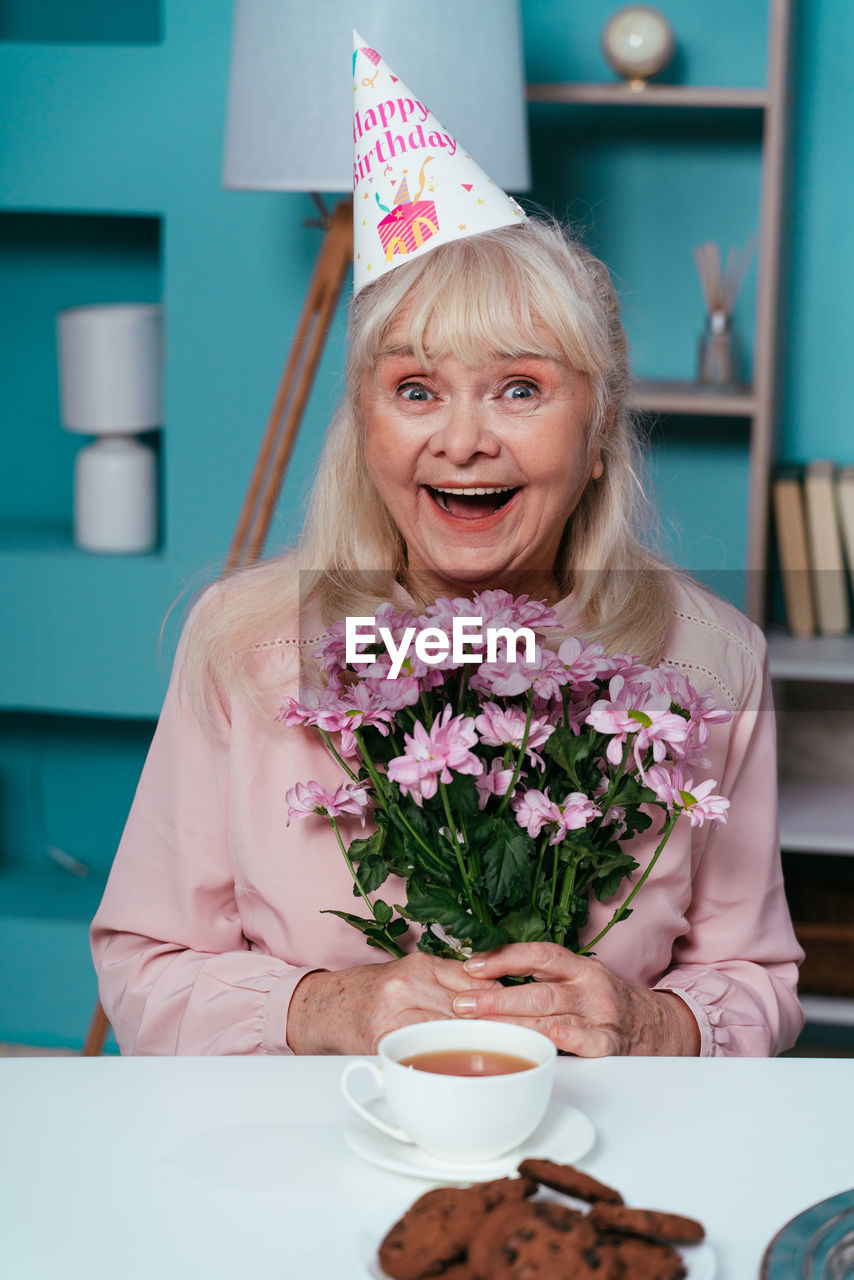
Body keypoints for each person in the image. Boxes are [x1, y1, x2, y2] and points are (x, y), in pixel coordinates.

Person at [90, 37, 803, 1059]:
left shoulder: (713, 657)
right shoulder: (240, 643)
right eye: (415, 389)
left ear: (597, 434)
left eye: (519, 388)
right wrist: (326, 1006)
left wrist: (655, 1019)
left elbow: (755, 976)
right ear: (364, 427)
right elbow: (142, 965)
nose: (461, 439)